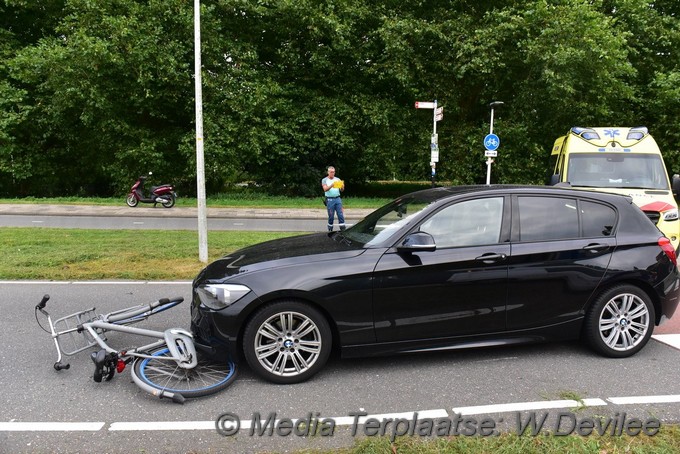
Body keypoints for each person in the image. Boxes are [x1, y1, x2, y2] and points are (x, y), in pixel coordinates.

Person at [321, 166, 345, 231]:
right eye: (331, 172)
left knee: (340, 215)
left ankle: (343, 230)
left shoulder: (338, 179)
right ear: (328, 172)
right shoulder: (324, 180)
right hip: (330, 199)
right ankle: (330, 230)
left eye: (333, 172)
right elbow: (325, 189)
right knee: (331, 216)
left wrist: (342, 186)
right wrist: (332, 185)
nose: (332, 173)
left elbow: (342, 190)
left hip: (337, 199)